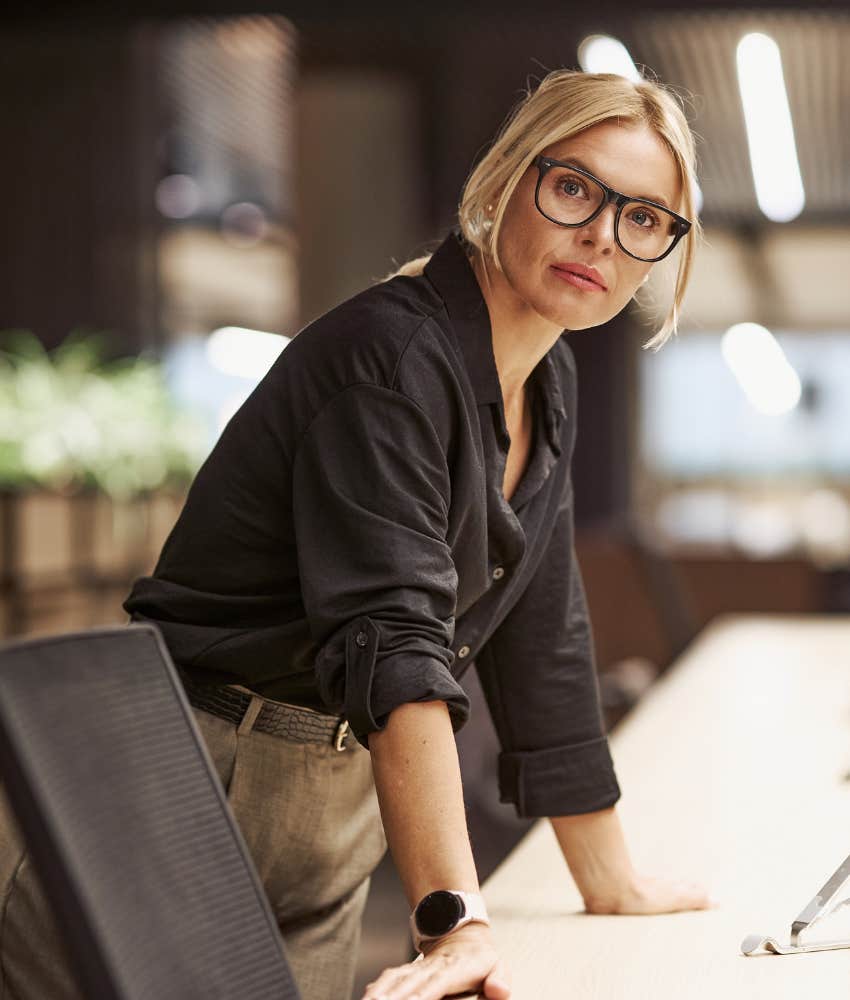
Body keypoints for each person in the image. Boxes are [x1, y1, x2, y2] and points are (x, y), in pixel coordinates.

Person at [0, 69, 713, 1000]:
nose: (602, 236)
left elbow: (544, 636)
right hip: (191, 783)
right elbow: (396, 644)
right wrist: (455, 921)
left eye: (644, 218)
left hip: (333, 805)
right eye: (575, 188)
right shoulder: (390, 361)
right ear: (506, 181)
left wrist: (609, 878)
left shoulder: (548, 380)